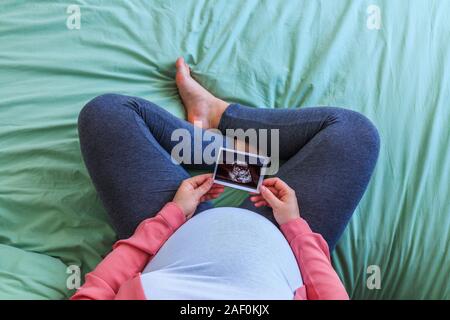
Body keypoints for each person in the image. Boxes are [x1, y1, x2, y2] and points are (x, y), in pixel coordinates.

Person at [71, 58, 380, 300]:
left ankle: (218, 131)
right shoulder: (290, 226)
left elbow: (95, 292)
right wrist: (296, 227)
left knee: (107, 114)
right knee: (354, 135)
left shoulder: (170, 218)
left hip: (174, 226)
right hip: (280, 228)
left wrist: (169, 218)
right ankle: (233, 144)